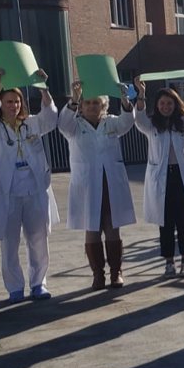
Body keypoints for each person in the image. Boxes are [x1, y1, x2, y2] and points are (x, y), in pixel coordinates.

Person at [0, 68, 58, 301]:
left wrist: (42, 86)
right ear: (1, 103)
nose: (13, 105)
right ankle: (15, 288)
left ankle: (38, 283)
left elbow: (51, 116)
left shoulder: (32, 124)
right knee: (10, 242)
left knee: (38, 239)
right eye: (8, 101)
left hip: (34, 188)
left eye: (16, 101)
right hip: (8, 192)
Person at [59, 79, 136, 289]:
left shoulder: (111, 122)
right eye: (88, 103)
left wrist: (125, 101)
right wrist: (74, 99)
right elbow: (62, 123)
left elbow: (127, 122)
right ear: (81, 107)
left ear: (104, 106)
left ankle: (116, 272)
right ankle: (98, 275)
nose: (92, 106)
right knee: (91, 229)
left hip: (110, 183)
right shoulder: (74, 126)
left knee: (112, 228)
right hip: (87, 185)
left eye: (97, 103)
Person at [133, 74, 184, 277]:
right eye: (162, 103)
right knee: (164, 222)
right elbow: (138, 119)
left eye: (170, 103)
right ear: (157, 106)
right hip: (161, 178)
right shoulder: (152, 126)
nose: (166, 107)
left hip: (182, 178)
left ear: (175, 104)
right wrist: (141, 93)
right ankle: (168, 262)